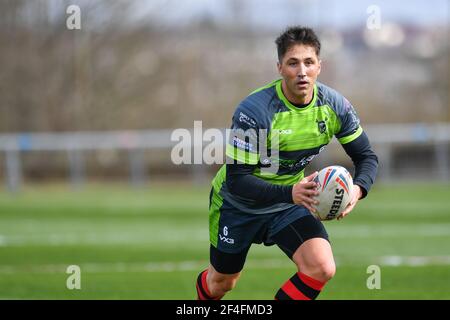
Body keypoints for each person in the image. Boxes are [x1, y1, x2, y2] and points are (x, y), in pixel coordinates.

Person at [195, 26, 378, 300]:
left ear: (319, 66)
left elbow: (366, 157)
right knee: (221, 283)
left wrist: (358, 189)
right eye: (293, 63)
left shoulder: (335, 107)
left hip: (290, 203)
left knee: (321, 267)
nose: (302, 71)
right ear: (280, 67)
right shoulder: (255, 111)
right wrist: (290, 193)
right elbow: (238, 179)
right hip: (237, 204)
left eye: (309, 62)